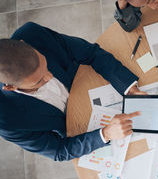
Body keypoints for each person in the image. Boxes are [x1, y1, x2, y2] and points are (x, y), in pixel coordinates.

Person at [0, 22, 147, 161]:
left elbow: (91, 53)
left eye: (45, 65)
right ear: (10, 87)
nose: (49, 76)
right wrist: (106, 134)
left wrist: (129, 88)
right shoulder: (6, 121)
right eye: (40, 81)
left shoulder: (33, 33)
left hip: (90, 84)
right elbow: (58, 150)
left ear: (23, 43)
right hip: (80, 130)